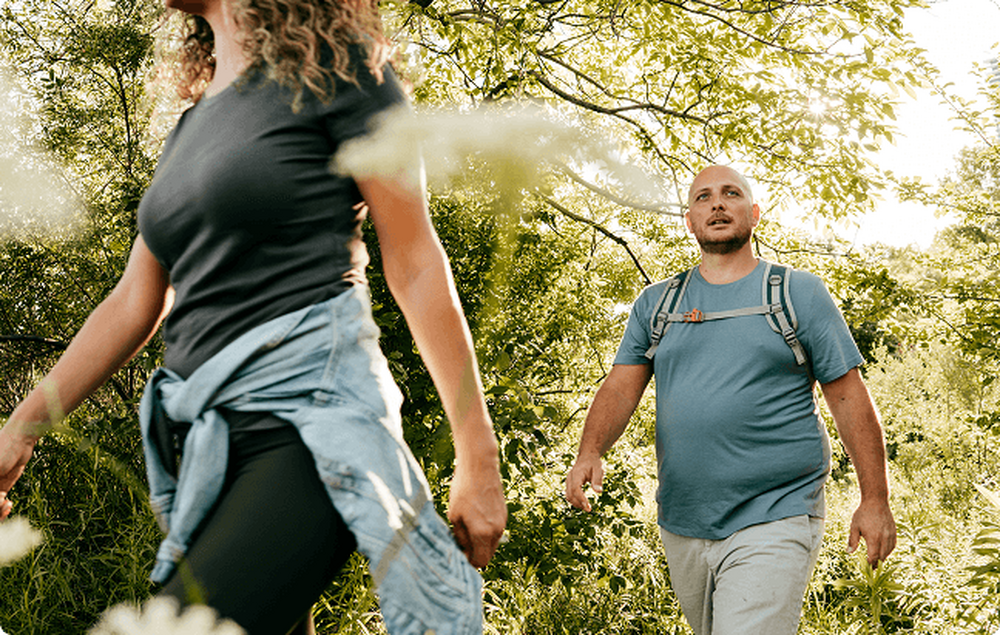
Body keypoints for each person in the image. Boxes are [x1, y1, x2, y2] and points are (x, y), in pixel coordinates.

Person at [0, 1, 506, 634]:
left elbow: (415, 261)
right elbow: (134, 301)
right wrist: (19, 430)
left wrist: (478, 454)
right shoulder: (191, 126)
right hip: (210, 455)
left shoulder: (340, 73)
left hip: (308, 424)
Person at [565, 165, 896, 635]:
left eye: (731, 193)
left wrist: (874, 499)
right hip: (683, 520)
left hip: (776, 511)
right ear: (689, 221)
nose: (717, 203)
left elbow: (847, 396)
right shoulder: (657, 305)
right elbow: (620, 387)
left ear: (754, 213)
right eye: (703, 197)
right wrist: (590, 450)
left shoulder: (797, 294)